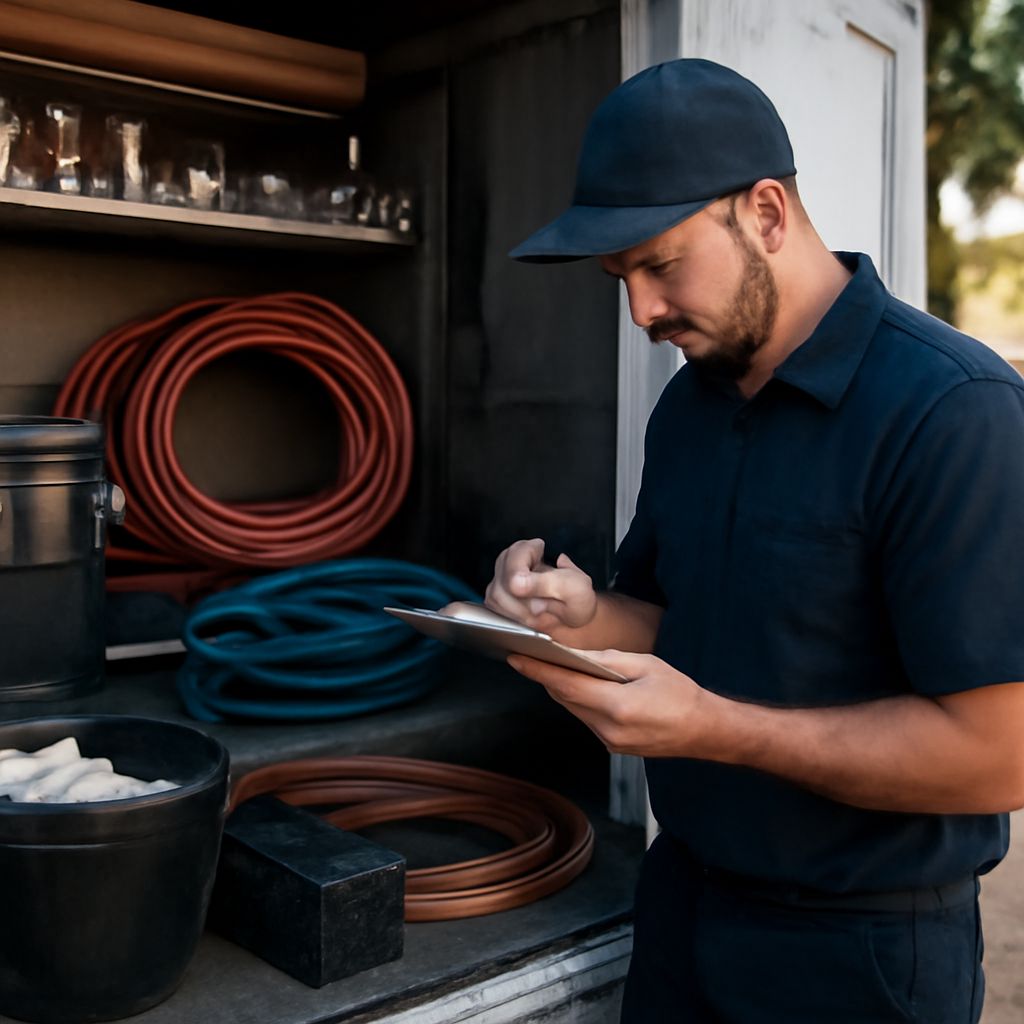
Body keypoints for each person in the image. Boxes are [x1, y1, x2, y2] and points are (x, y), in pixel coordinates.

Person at [484, 58, 1024, 1023]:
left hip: (861, 954)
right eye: (621, 278)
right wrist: (580, 614)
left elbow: (1001, 756)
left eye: (659, 262)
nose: (642, 311)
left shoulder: (955, 413)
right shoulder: (690, 406)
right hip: (683, 904)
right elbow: (670, 626)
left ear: (768, 214)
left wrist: (713, 729)